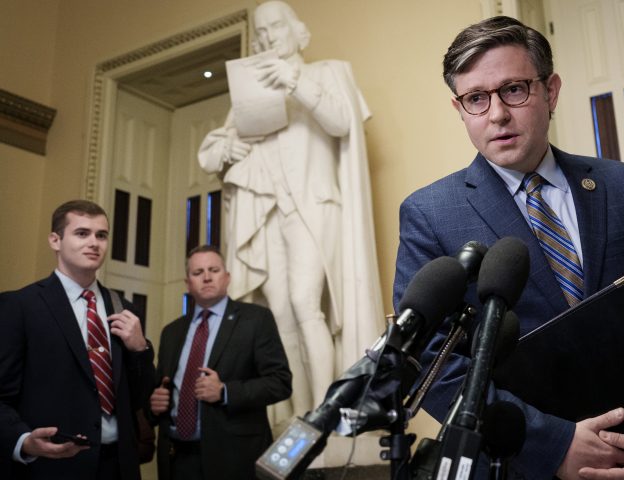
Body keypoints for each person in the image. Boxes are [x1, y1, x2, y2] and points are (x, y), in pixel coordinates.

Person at [393, 16, 624, 480]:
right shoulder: (430, 214)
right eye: (476, 99)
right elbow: (433, 361)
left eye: (514, 90)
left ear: (551, 91)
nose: (497, 114)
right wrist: (552, 445)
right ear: (459, 109)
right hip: (521, 464)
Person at [198, 0, 383, 423]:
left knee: (305, 302)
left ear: (297, 31)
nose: (266, 39)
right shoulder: (249, 89)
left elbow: (343, 123)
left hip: (315, 204)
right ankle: (298, 412)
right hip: (268, 211)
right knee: (278, 311)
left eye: (274, 28)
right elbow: (215, 154)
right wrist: (226, 148)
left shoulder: (326, 72)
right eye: (259, 33)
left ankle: (326, 409)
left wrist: (296, 82)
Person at [0, 199, 155, 479]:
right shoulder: (19, 306)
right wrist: (22, 441)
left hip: (119, 465)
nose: (94, 242)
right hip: (50, 467)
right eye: (82, 233)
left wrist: (140, 349)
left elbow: (140, 397)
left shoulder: (126, 309)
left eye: (101, 235)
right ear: (55, 240)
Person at [147, 245, 292, 480]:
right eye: (198, 272)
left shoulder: (255, 320)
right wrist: (154, 404)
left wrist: (225, 391)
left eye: (213, 270)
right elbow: (161, 389)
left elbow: (280, 382)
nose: (206, 277)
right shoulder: (171, 332)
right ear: (188, 283)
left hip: (233, 458)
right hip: (177, 459)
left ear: (227, 278)